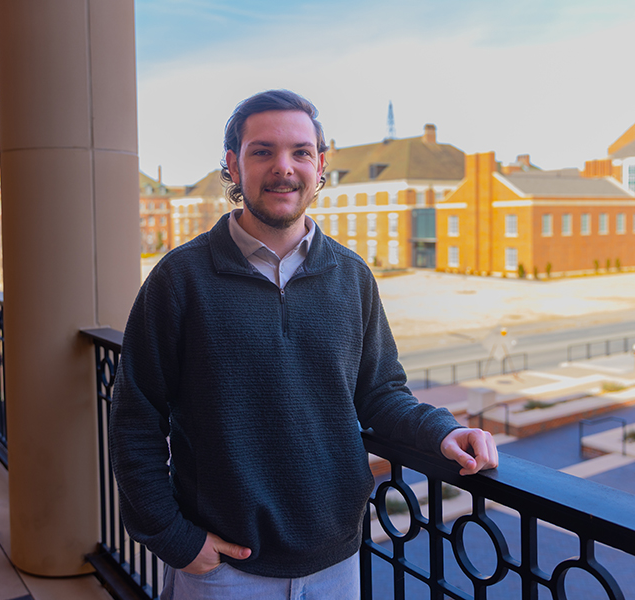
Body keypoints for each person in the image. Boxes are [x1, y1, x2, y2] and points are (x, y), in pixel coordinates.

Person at [109, 89, 498, 599]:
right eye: (262, 151)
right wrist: (173, 537)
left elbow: (379, 391)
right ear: (233, 164)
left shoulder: (351, 276)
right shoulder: (179, 280)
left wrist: (441, 432)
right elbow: (135, 418)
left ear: (320, 166)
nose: (283, 168)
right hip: (223, 570)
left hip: (335, 564)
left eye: (300, 152)